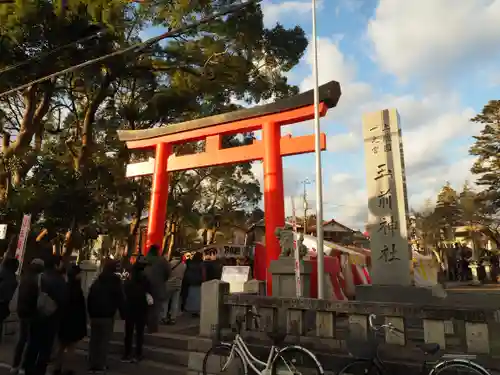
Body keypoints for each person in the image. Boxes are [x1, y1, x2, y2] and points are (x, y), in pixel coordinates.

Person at [23, 255, 68, 375]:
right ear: (56, 265)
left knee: (33, 345)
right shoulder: (60, 280)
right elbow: (64, 301)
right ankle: (40, 370)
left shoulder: (38, 278)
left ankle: (28, 369)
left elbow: (28, 297)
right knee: (45, 348)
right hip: (52, 320)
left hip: (35, 317)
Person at [87, 259, 124, 373]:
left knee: (94, 340)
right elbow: (120, 298)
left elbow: (90, 297)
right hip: (107, 315)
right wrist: (123, 312)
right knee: (104, 341)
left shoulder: (97, 281)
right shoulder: (115, 282)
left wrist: (90, 312)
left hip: (95, 315)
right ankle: (100, 364)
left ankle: (92, 363)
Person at [11, 258, 44, 375]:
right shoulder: (39, 280)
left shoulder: (24, 278)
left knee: (21, 340)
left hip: (21, 312)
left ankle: (15, 365)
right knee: (30, 341)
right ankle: (23, 367)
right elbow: (40, 299)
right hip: (32, 313)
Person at [54, 264, 87, 375]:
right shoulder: (77, 291)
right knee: (71, 348)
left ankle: (57, 367)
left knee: (61, 346)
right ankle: (68, 369)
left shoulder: (64, 287)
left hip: (63, 320)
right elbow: (81, 309)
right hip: (73, 322)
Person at [122, 257, 151, 363]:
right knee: (139, 333)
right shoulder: (145, 280)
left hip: (130, 308)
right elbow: (149, 293)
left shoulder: (129, 281)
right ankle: (138, 353)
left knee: (128, 332)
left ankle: (126, 353)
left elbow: (124, 293)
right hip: (141, 309)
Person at [144, 245, 171, 333]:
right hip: (158, 286)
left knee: (145, 307)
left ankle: (145, 324)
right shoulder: (162, 261)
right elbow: (168, 272)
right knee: (155, 307)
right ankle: (153, 327)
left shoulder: (144, 259)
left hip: (144, 286)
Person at [161, 253, 186, 325]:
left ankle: (164, 316)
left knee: (166, 301)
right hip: (178, 284)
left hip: (169, 284)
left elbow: (166, 273)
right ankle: (173, 318)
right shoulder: (184, 265)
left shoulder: (169, 264)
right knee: (175, 301)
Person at [183, 252, 205, 317]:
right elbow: (203, 274)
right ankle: (196, 311)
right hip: (198, 282)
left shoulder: (190, 263)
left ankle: (189, 308)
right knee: (198, 297)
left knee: (190, 295)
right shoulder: (201, 264)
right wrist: (204, 281)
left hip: (189, 282)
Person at [0, 257, 20, 328]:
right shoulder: (11, 277)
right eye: (16, 266)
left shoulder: (4, 272)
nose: (17, 268)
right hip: (3, 303)